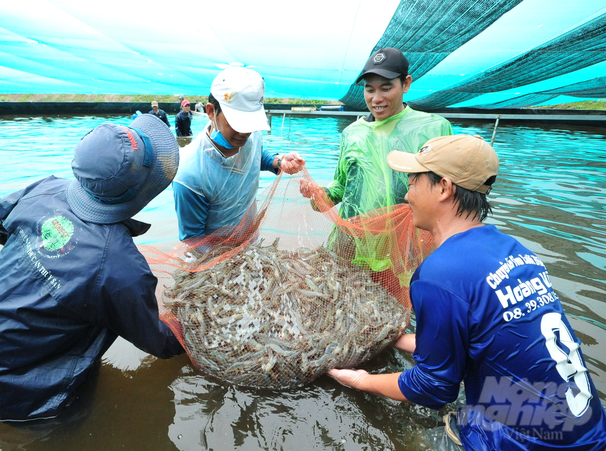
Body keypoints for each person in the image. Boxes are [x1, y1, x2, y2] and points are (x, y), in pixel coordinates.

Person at [329, 134, 606, 450]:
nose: (406, 194)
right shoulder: (517, 252)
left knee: (407, 434)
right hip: (591, 429)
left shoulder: (439, 274)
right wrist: (392, 338)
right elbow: (484, 338)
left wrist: (361, 380)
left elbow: (433, 388)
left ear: (444, 188)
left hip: (533, 442)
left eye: (414, 181)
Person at [0, 114, 185, 422]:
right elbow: (157, 341)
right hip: (30, 399)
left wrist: (39, 257)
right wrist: (194, 333)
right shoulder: (121, 268)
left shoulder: (45, 188)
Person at [299, 47, 453, 276]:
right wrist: (319, 195)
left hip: (405, 249)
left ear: (406, 84)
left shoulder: (434, 128)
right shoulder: (352, 134)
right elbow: (341, 187)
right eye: (369, 90)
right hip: (352, 246)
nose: (376, 98)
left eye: (386, 88)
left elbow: (451, 189)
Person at [172, 67, 305, 243]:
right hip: (212, 255)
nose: (245, 132)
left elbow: (255, 154)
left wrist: (278, 161)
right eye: (237, 123)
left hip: (250, 239)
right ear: (211, 111)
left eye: (251, 123)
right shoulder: (190, 174)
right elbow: (193, 239)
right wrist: (227, 266)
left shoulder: (252, 134)